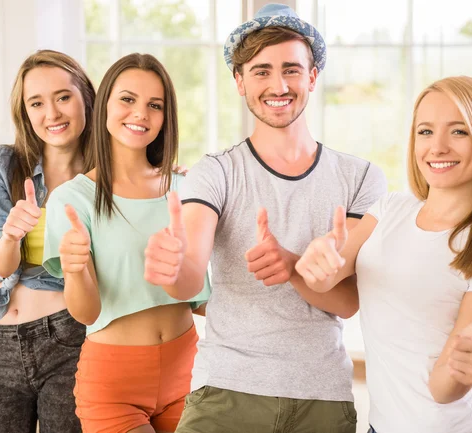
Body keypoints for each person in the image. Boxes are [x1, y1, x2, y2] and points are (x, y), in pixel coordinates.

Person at [143, 4, 386, 432]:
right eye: (261, 71)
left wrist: (293, 267)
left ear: (312, 76)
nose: (279, 84)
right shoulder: (215, 172)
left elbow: (348, 302)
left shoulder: (361, 177)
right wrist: (171, 269)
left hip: (321, 396)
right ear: (239, 81)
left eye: (292, 69)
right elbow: (189, 275)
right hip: (225, 391)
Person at [295, 76, 472, 433]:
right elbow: (328, 277)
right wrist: (314, 260)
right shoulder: (390, 208)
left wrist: (460, 370)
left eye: (459, 131)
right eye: (425, 131)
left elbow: (442, 390)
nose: (438, 147)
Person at [42, 53, 210, 433]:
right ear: (104, 106)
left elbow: (204, 303)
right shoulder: (73, 199)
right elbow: (86, 314)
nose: (141, 114)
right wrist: (76, 268)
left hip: (190, 369)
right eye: (128, 99)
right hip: (113, 380)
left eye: (155, 105)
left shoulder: (187, 189)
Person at [0, 50, 95, 433]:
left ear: (85, 98)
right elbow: (1, 265)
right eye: (36, 103)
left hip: (69, 340)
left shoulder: (103, 179)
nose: (51, 114)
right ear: (25, 112)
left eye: (63, 97)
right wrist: (11, 234)